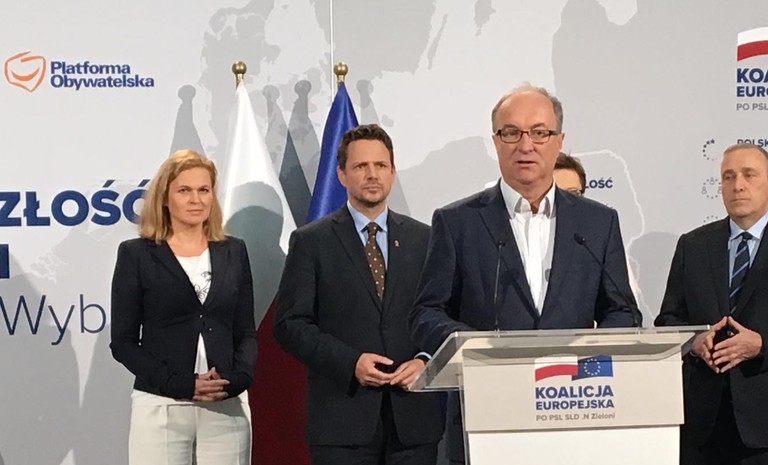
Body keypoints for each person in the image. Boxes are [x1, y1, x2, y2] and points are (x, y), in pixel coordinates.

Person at [409, 84, 640, 464]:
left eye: (539, 132)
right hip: (486, 414)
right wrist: (477, 347)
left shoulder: (598, 223)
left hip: (575, 409)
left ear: (559, 141)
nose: (526, 145)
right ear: (495, 141)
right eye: (511, 133)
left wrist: (584, 357)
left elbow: (623, 311)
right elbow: (426, 314)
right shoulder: (457, 222)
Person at [273, 124, 444, 465]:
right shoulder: (311, 242)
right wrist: (350, 363)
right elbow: (290, 324)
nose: (372, 174)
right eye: (360, 166)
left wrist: (426, 360)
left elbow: (444, 313)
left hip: (413, 424)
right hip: (342, 423)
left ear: (392, 172)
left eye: (380, 165)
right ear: (341, 174)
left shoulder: (425, 239)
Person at [110, 149, 257, 465]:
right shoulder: (136, 255)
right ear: (164, 198)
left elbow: (245, 331)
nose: (196, 200)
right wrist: (181, 384)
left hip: (226, 406)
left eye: (204, 190)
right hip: (162, 406)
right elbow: (123, 343)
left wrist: (238, 379)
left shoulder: (234, 251)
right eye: (184, 190)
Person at [655, 143, 768, 465]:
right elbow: (668, 320)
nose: (738, 185)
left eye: (749, 175)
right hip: (704, 426)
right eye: (728, 177)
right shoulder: (693, 245)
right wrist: (694, 341)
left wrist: (761, 345)